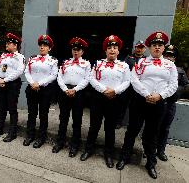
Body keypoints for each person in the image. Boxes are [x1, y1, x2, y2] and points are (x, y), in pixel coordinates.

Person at [116, 31, 178, 179]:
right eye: (154, 45)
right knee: (132, 130)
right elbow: (134, 79)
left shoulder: (170, 65)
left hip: (158, 104)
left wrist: (160, 96)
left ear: (164, 48)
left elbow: (173, 84)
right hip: (140, 102)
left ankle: (151, 163)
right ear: (149, 47)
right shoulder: (140, 62)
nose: (157, 48)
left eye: (160, 45)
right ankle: (124, 157)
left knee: (152, 134)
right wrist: (146, 94)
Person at [80, 35, 130, 168]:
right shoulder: (98, 63)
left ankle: (109, 155)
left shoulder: (124, 65)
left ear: (118, 51)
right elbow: (92, 78)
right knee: (94, 127)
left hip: (115, 100)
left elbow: (127, 81)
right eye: (109, 48)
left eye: (115, 47)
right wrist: (104, 90)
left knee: (110, 129)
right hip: (98, 99)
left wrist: (115, 91)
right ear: (105, 50)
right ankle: (88, 150)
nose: (112, 50)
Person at [52, 37, 91, 158]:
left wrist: (75, 89)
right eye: (74, 49)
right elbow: (59, 77)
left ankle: (75, 145)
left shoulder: (86, 64)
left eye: (78, 50)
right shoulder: (65, 62)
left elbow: (87, 79)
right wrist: (65, 89)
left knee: (77, 121)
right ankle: (60, 142)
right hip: (65, 92)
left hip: (78, 93)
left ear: (82, 52)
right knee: (63, 119)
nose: (76, 52)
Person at [23, 35, 58, 148]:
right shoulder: (32, 58)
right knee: (31, 114)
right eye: (41, 45)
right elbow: (27, 72)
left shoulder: (53, 60)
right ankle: (30, 135)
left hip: (45, 91)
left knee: (43, 115)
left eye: (45, 45)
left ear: (49, 48)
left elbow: (53, 75)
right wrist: (32, 83)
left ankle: (41, 138)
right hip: (32, 88)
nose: (42, 47)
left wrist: (40, 83)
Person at [157, 44, 189, 161]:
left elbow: (186, 86)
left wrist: (175, 91)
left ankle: (161, 151)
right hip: (158, 103)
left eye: (172, 56)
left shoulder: (180, 71)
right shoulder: (158, 68)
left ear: (175, 58)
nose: (169, 58)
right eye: (167, 55)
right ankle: (148, 149)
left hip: (170, 104)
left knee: (165, 128)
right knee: (154, 127)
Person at [0, 33, 25, 142]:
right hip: (1, 83)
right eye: (7, 42)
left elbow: (19, 71)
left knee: (12, 108)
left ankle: (12, 132)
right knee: (2, 107)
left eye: (9, 43)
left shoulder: (20, 57)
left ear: (15, 45)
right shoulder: (2, 56)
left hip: (12, 84)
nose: (7, 44)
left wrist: (4, 80)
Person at [115, 40, 147, 129]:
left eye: (141, 48)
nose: (139, 49)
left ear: (144, 49)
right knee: (122, 104)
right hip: (128, 85)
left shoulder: (146, 60)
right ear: (135, 48)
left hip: (138, 87)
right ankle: (118, 122)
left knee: (135, 107)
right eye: (138, 47)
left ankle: (132, 125)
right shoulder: (128, 58)